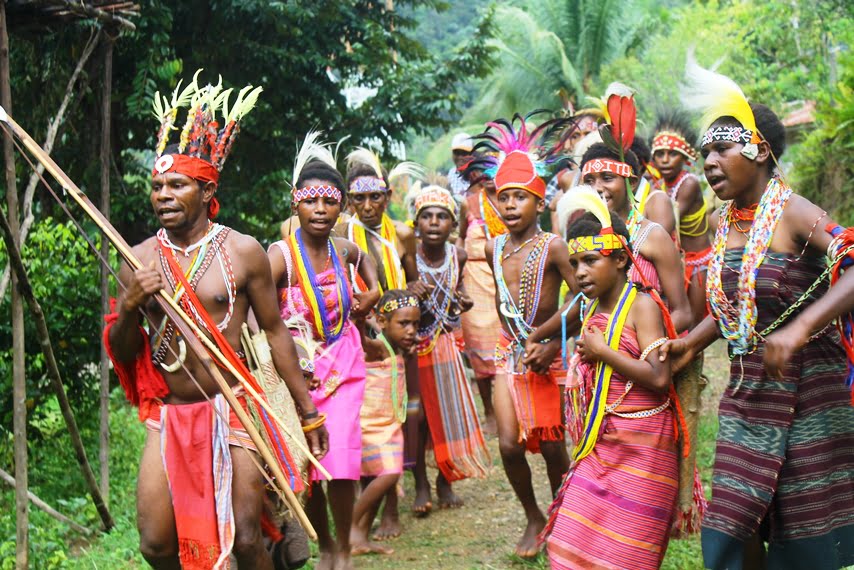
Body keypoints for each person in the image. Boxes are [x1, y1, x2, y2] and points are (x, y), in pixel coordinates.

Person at [104, 75, 327, 570]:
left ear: (207, 191)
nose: (163, 195)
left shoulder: (242, 252)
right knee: (156, 545)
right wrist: (132, 306)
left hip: (235, 407)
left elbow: (274, 332)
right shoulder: (137, 259)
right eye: (157, 186)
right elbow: (122, 351)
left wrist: (308, 411)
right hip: (171, 415)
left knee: (246, 540)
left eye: (177, 185)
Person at [661, 61, 854, 570]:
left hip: (808, 393)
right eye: (704, 153)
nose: (709, 162)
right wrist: (691, 342)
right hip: (749, 394)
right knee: (733, 518)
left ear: (759, 152)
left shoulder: (793, 213)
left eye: (721, 149)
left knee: (800, 527)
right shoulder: (726, 223)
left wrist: (798, 331)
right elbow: (736, 310)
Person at [544, 191, 678, 569]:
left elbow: (659, 376)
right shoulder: (591, 308)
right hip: (603, 443)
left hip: (645, 447)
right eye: (574, 263)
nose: (580, 272)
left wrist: (604, 353)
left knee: (625, 554)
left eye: (590, 261)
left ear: (620, 259)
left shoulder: (642, 305)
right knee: (566, 544)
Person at [268, 133, 380, 570]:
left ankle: (346, 549)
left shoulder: (344, 249)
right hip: (301, 374)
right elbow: (259, 310)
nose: (319, 210)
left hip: (346, 361)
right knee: (312, 466)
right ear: (296, 203)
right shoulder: (280, 258)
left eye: (329, 201)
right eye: (310, 201)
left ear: (341, 207)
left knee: (343, 459)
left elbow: (365, 263)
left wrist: (371, 296)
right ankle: (326, 543)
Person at [480, 113, 575, 558]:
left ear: (540, 203)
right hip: (507, 353)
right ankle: (533, 515)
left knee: (554, 444)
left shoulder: (554, 246)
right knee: (507, 443)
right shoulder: (492, 247)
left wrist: (553, 342)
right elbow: (503, 302)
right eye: (505, 198)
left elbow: (583, 299)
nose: (511, 206)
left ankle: (563, 515)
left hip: (547, 356)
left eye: (520, 197)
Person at [335, 147, 422, 534]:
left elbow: (413, 282)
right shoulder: (340, 233)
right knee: (361, 420)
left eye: (376, 197)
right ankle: (363, 509)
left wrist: (405, 323)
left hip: (400, 337)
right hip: (354, 338)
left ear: (387, 197)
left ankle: (394, 504)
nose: (368, 207)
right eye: (359, 198)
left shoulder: (402, 234)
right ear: (348, 200)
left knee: (403, 413)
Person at [408, 185, 491, 514]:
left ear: (453, 225)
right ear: (416, 223)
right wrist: (410, 291)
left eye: (441, 217)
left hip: (444, 344)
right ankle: (421, 485)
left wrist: (462, 300)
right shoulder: (408, 253)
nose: (433, 223)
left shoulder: (457, 255)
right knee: (419, 418)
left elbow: (456, 293)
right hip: (414, 346)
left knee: (445, 412)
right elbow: (398, 296)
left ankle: (445, 478)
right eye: (426, 216)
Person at [577, 143, 692, 334]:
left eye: (607, 178)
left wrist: (634, 345)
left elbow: (682, 313)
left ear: (631, 182)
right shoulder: (585, 238)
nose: (597, 188)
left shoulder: (652, 235)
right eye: (589, 180)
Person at [350, 289, 420, 556]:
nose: (411, 330)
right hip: (371, 425)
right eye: (403, 324)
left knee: (373, 483)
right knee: (389, 474)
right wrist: (358, 320)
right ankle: (350, 523)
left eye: (415, 323)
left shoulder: (397, 347)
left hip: (389, 425)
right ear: (382, 322)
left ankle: (360, 537)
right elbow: (362, 344)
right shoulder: (378, 346)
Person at [456, 153, 506, 433]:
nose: (487, 176)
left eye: (493, 170)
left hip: (504, 278)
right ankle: (489, 411)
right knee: (478, 348)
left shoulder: (513, 198)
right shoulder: (470, 203)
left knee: (504, 346)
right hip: (475, 280)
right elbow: (461, 238)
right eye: (483, 171)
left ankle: (509, 408)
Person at [651, 109, 711, 324]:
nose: (665, 160)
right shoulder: (660, 186)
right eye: (660, 154)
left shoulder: (689, 184)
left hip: (698, 265)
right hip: (678, 263)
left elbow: (666, 223)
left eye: (672, 153)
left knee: (692, 327)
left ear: (684, 157)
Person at [447, 132, 474, 199]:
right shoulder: (450, 174)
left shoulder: (479, 175)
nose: (460, 157)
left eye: (464, 154)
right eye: (457, 153)